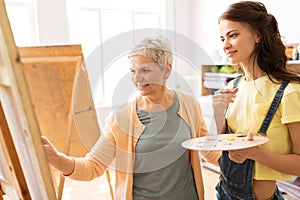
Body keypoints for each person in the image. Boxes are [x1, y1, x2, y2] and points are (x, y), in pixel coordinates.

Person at [42, 36, 219, 200]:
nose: (137, 78)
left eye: (145, 70)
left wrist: (241, 157)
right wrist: (57, 159)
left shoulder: (189, 104)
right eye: (133, 71)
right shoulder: (121, 117)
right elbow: (93, 166)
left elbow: (208, 151)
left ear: (167, 70)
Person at [212, 1, 300, 200]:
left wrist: (255, 153)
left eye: (233, 35)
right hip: (223, 192)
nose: (225, 45)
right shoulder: (232, 87)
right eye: (222, 38)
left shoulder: (289, 91)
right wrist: (218, 112)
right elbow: (219, 145)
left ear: (258, 35)